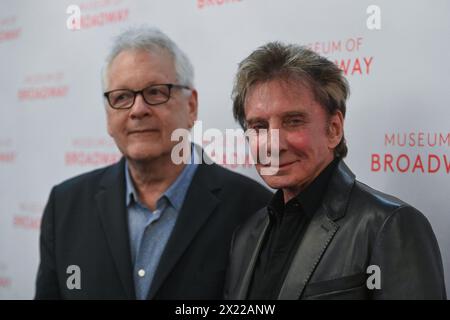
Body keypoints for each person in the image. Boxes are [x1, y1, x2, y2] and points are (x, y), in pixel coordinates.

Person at [35, 26, 272, 299]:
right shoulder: (65, 206)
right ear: (107, 114)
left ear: (191, 106)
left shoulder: (253, 210)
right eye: (122, 97)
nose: (138, 110)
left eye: (156, 92)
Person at [224, 42, 446, 300]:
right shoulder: (246, 236)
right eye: (259, 126)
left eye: (293, 121)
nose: (273, 145)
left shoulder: (388, 225)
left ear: (333, 129)